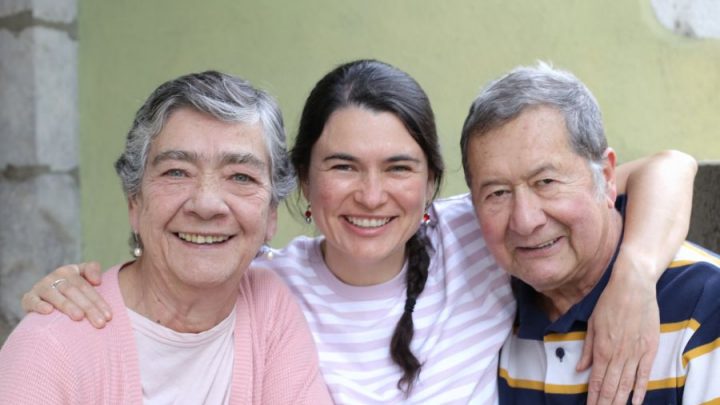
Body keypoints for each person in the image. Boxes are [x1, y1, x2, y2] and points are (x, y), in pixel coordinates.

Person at [19, 60, 698, 404]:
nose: (371, 196)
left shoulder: (487, 229)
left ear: (431, 185)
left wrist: (635, 274)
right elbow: (177, 268)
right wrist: (71, 297)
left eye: (398, 167)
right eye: (342, 166)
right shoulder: (267, 285)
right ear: (304, 188)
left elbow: (668, 167)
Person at [0, 71, 331, 404]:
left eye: (240, 176)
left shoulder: (270, 310)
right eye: (176, 172)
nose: (206, 204)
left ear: (271, 213)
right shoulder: (52, 346)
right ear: (134, 200)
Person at [460, 62, 720, 404]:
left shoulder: (703, 305)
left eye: (546, 182)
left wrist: (635, 274)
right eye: (497, 193)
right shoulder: (489, 307)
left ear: (608, 176)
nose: (525, 221)